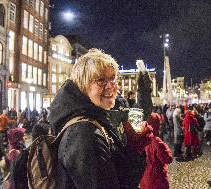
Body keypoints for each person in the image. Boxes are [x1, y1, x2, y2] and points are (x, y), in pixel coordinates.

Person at [49, 48, 149, 189]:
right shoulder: (85, 133)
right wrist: (135, 151)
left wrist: (133, 149)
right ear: (83, 84)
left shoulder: (95, 121)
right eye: (101, 80)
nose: (110, 86)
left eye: (113, 79)